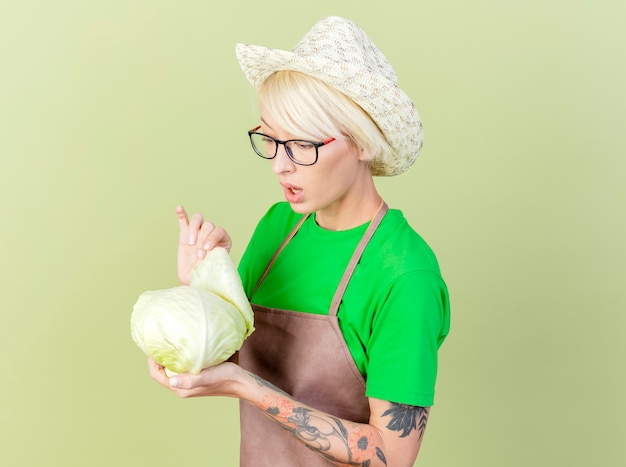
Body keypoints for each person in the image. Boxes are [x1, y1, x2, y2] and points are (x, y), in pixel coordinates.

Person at [148, 16, 450, 467]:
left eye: (302, 145)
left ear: (363, 142)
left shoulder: (404, 275)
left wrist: (246, 388)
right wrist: (204, 286)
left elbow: (391, 453)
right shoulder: (278, 227)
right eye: (270, 139)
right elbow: (231, 351)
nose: (279, 166)